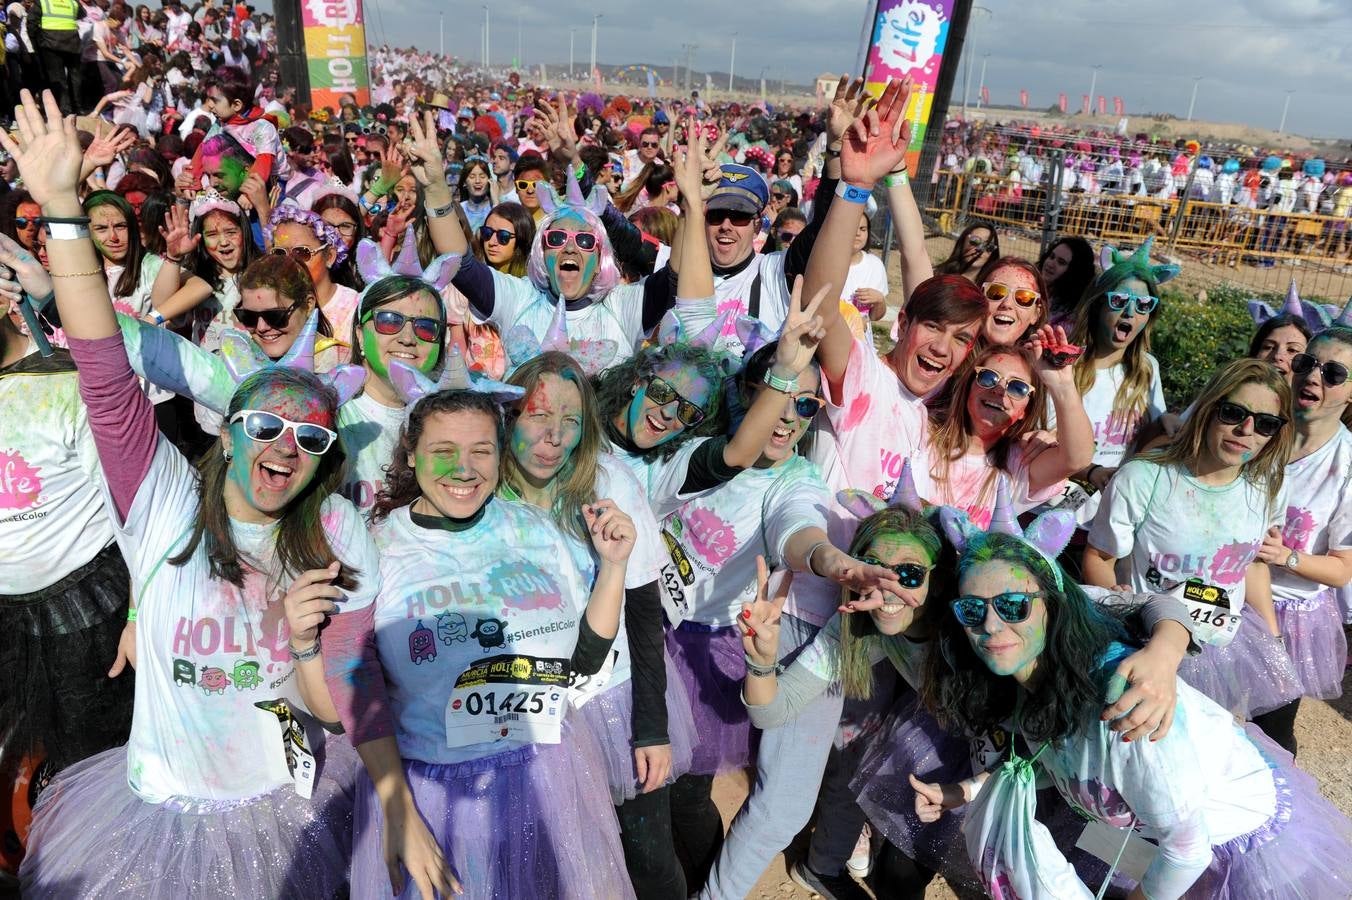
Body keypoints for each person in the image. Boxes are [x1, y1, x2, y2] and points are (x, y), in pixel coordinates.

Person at [6, 90, 373, 897]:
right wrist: (62, 206)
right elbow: (105, 378)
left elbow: (343, 708)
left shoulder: (339, 534)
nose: (286, 447)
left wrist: (313, 644)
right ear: (228, 427)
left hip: (287, 814)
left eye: (310, 437)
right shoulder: (165, 501)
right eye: (266, 426)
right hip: (156, 819)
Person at [919, 511, 1352, 900]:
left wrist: (1167, 644)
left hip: (1238, 855)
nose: (991, 625)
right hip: (1160, 848)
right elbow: (1042, 755)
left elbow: (1187, 852)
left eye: (1013, 605)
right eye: (972, 609)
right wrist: (963, 791)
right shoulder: (1029, 678)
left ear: (1053, 606)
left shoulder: (1123, 706)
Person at [327, 370, 640, 900]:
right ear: (411, 453)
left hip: (548, 775)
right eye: (444, 450)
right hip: (439, 797)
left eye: (481, 451)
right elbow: (352, 692)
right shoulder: (378, 549)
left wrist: (613, 568)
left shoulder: (535, 531)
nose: (464, 470)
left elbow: (581, 664)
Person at [502, 350, 695, 899]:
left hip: (614, 702)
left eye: (571, 421)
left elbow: (643, 608)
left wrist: (651, 726)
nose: (554, 436)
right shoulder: (484, 492)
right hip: (537, 719)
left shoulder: (606, 480)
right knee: (573, 861)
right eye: (539, 415)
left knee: (651, 858)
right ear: (510, 414)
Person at [0, 232, 135, 877]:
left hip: (84, 606)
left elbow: (130, 506)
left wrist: (138, 612)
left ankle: (97, 875)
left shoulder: (64, 384)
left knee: (91, 760)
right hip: (4, 618)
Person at [1084, 358, 1304, 728]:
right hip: (1147, 639)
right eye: (1234, 413)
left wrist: (1272, 638)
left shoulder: (1269, 486)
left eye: (1265, 424)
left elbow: (1250, 561)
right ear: (1208, 408)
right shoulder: (1143, 478)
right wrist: (1122, 609)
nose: (1246, 430)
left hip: (1223, 645)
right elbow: (1099, 558)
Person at [1249, 324, 1352, 755]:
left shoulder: (1346, 465)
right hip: (1225, 589)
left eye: (1334, 373)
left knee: (1270, 731)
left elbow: (1342, 568)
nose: (1313, 376)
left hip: (1290, 612)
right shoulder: (1256, 426)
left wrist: (1285, 556)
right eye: (1307, 363)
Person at [1057, 240, 1175, 528]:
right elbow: (1045, 441)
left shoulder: (1147, 369)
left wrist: (1167, 423)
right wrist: (1091, 471)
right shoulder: (1067, 367)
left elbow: (1149, 442)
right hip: (1057, 510)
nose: (1130, 313)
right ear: (1097, 305)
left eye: (1143, 305)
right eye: (1118, 301)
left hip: (1116, 517)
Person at [335, 232, 455, 514]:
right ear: (360, 337)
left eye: (426, 327)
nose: (408, 337)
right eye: (390, 321)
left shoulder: (456, 424)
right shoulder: (335, 421)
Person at [264, 204, 356, 349]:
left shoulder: (354, 308)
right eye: (279, 254)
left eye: (301, 252)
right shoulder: (269, 307)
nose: (289, 262)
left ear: (330, 256)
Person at [32, 0, 85, 115]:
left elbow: (31, 23)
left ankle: (65, 109)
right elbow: (83, 14)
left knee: (58, 78)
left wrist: (37, 42)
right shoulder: (73, 2)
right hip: (73, 43)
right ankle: (78, 108)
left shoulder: (43, 2)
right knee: (75, 77)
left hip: (50, 44)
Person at [1037, 235, 1095, 323]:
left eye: (1061, 262)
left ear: (1074, 272)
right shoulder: (1032, 287)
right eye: (1051, 256)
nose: (1050, 264)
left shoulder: (1069, 317)